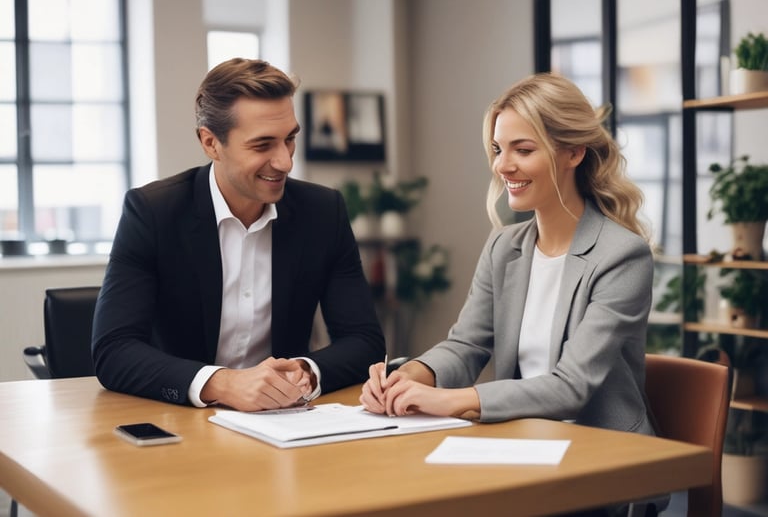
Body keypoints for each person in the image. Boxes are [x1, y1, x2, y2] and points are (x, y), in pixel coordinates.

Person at [361, 72, 656, 435]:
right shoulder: (504, 247)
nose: (502, 165)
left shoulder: (622, 256)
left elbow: (571, 387)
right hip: (522, 438)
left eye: (524, 150)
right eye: (499, 149)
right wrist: (406, 378)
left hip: (605, 452)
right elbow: (465, 345)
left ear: (574, 153)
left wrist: (451, 400)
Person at [92, 58, 385, 411]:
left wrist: (307, 371)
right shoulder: (153, 212)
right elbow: (114, 350)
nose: (285, 162)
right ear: (211, 143)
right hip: (178, 422)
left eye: (289, 139)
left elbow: (364, 340)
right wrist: (222, 383)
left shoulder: (323, 212)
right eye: (262, 145)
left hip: (285, 423)